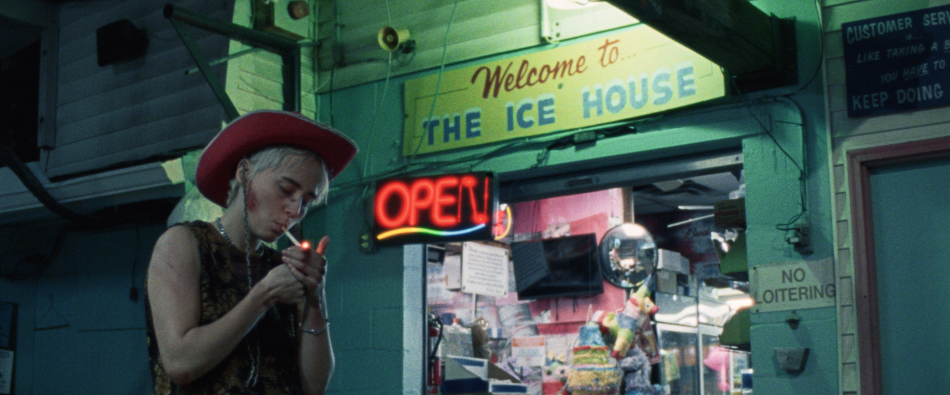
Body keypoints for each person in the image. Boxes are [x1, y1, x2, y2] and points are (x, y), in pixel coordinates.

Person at [144, 110, 358, 395]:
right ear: (244, 172)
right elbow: (180, 363)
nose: (295, 211)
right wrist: (263, 296)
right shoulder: (185, 244)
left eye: (306, 201)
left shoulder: (282, 267)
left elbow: (314, 386)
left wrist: (315, 298)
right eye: (285, 189)